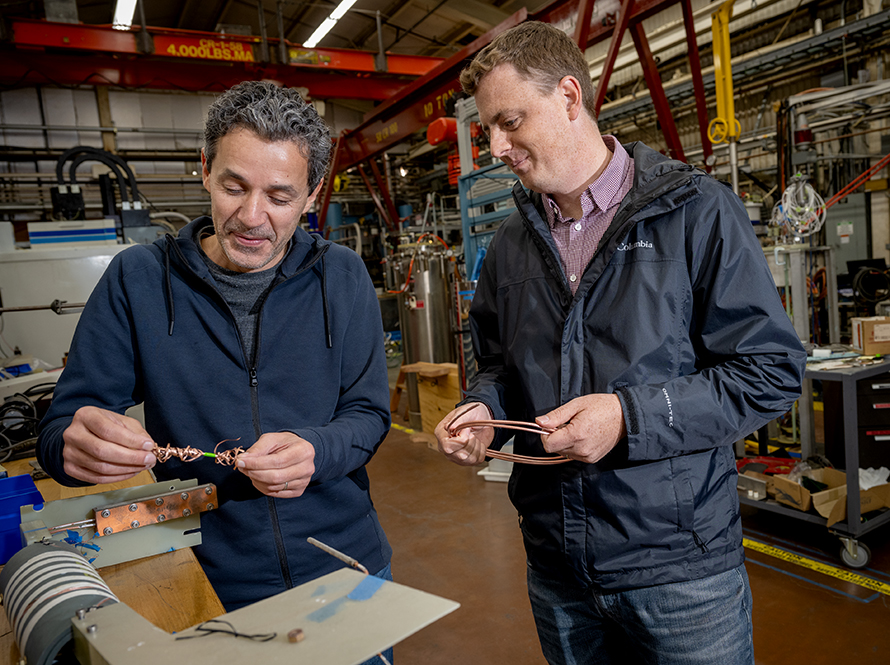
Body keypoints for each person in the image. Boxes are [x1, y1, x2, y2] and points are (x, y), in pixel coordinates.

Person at [435, 21, 805, 665]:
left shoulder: (697, 214)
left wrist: (628, 418)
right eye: (487, 129)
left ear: (570, 97)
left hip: (680, 572)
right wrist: (485, 408)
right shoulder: (511, 245)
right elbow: (497, 363)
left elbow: (769, 371)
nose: (496, 147)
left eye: (510, 121)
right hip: (556, 568)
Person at [37, 81, 393, 616]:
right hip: (206, 576)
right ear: (204, 167)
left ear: (313, 192)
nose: (251, 217)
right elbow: (60, 426)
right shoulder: (138, 279)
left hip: (345, 563)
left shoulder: (341, 276)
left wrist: (317, 450)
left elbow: (367, 413)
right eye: (233, 186)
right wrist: (72, 445)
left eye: (279, 196)